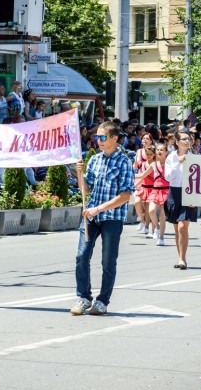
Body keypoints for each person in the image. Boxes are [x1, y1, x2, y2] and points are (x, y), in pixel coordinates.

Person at [70, 121, 135, 316]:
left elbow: (125, 196)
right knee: (82, 256)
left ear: (114, 138)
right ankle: (84, 297)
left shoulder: (124, 162)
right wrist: (79, 173)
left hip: (111, 218)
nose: (98, 140)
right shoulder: (95, 160)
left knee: (108, 261)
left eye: (102, 137)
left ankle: (102, 301)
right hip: (91, 215)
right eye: (97, 137)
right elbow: (86, 188)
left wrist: (98, 209)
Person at [164, 130, 197, 269]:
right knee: (177, 229)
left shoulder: (195, 157)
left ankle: (182, 259)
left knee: (183, 226)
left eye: (188, 139)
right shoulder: (171, 157)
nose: (187, 141)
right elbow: (168, 177)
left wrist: (196, 196)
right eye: (184, 139)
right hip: (175, 192)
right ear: (177, 142)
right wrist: (179, 162)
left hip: (189, 192)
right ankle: (180, 257)